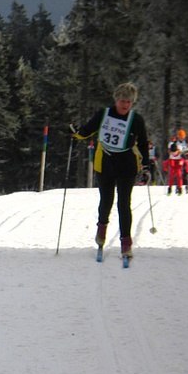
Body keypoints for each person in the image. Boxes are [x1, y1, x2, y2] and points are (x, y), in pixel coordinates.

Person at [72, 82, 149, 257]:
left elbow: (143, 143)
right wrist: (75, 132)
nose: (125, 105)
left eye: (129, 102)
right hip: (105, 162)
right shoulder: (104, 114)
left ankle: (126, 243)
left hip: (127, 163)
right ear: (116, 100)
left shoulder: (136, 119)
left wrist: (146, 166)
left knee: (124, 203)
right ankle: (101, 230)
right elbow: (86, 131)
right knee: (106, 200)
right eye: (122, 101)